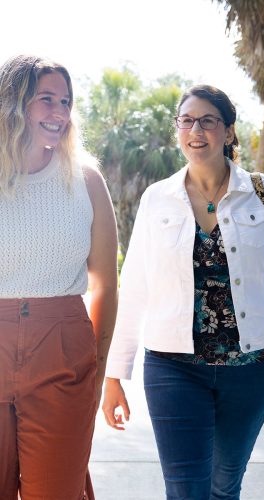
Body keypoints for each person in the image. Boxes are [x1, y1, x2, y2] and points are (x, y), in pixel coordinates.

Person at [102, 84, 264, 499]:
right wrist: (115, 374)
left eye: (208, 120)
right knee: (186, 490)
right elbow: (133, 289)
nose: (195, 129)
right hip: (173, 367)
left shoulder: (261, 193)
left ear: (229, 132)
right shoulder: (157, 199)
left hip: (252, 369)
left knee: (224, 485)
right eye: (187, 120)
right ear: (178, 130)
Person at [0, 55, 118, 500]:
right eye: (45, 99)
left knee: (56, 492)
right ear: (13, 103)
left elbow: (106, 284)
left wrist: (98, 367)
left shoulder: (86, 181)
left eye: (65, 101)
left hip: (64, 352)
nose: (59, 112)